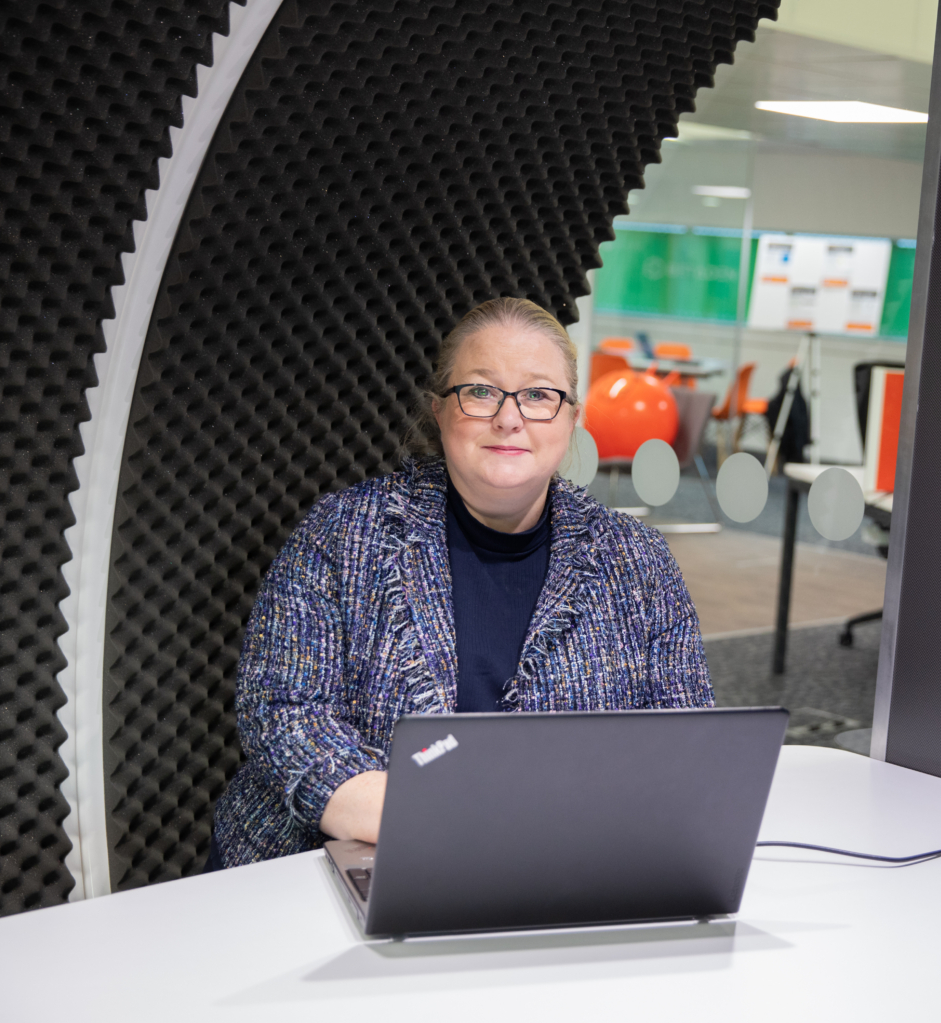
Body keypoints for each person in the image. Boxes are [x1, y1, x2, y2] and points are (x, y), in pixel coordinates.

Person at [209, 297, 712, 867]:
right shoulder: (343, 532)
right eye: (480, 391)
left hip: (560, 872)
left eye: (539, 395)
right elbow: (282, 709)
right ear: (439, 411)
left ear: (573, 419)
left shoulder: (638, 562)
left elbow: (684, 741)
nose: (509, 417)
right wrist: (423, 816)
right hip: (327, 869)